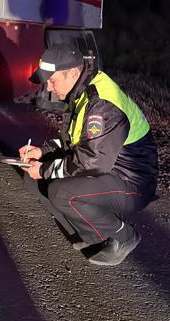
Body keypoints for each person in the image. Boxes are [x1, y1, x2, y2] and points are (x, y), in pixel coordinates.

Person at [18, 39, 158, 266]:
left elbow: (92, 161)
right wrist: (41, 151)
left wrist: (44, 168)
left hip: (133, 182)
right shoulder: (81, 92)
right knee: (33, 179)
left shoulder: (101, 103)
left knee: (61, 192)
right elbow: (73, 141)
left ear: (72, 73)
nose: (49, 87)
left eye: (52, 81)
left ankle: (124, 237)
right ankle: (93, 237)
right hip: (112, 169)